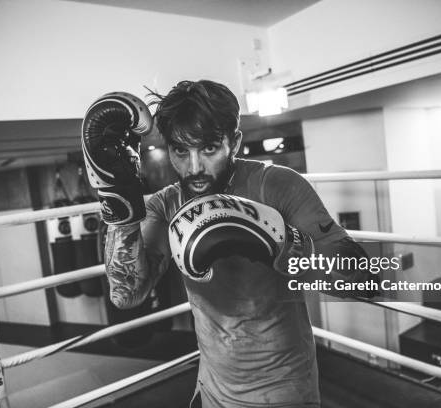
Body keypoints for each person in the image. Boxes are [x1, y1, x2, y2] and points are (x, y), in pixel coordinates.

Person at [81, 81, 378, 408]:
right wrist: (117, 199)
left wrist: (285, 245)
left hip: (284, 391)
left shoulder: (276, 186)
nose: (194, 167)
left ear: (233, 142)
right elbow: (126, 294)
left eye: (208, 149)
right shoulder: (167, 205)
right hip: (213, 391)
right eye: (181, 151)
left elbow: (364, 279)